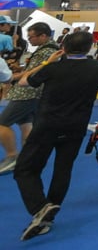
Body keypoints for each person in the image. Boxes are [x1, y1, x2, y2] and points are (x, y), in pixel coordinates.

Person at [13, 30, 98, 240]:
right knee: (63, 169)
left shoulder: (53, 68)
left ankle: (40, 207)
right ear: (91, 48)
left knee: (25, 169)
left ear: (64, 48)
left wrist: (47, 63)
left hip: (47, 125)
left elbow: (23, 82)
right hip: (76, 127)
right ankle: (48, 217)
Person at [0, 23, 61, 175]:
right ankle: (28, 159)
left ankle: (12, 156)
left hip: (28, 93)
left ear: (43, 36)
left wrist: (14, 77)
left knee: (2, 124)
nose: (29, 39)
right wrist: (20, 70)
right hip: (34, 93)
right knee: (26, 124)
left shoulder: (46, 52)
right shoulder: (48, 50)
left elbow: (35, 73)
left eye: (31, 36)